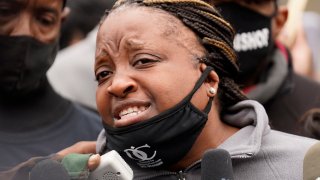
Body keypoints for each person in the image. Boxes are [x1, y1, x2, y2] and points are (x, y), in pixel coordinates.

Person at [3, 0, 318, 179]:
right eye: (103, 73)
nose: (117, 83)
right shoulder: (85, 173)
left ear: (209, 81)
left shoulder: (306, 164)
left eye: (142, 61)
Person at [0, 0, 102, 171]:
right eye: (4, 12)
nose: (24, 31)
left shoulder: (98, 138)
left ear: (60, 23)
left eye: (45, 20)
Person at [207, 0, 320, 137]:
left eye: (252, 2)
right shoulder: (180, 106)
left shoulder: (314, 107)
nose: (235, 13)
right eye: (219, 2)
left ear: (280, 20)